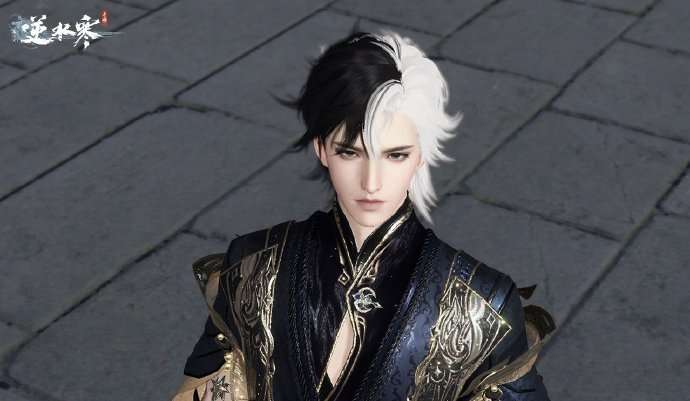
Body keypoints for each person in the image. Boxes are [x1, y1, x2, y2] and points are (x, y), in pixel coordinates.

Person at [171, 29, 556, 401]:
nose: (372, 182)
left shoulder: (482, 304)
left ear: (420, 155)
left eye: (395, 155)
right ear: (322, 150)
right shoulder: (253, 266)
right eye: (350, 152)